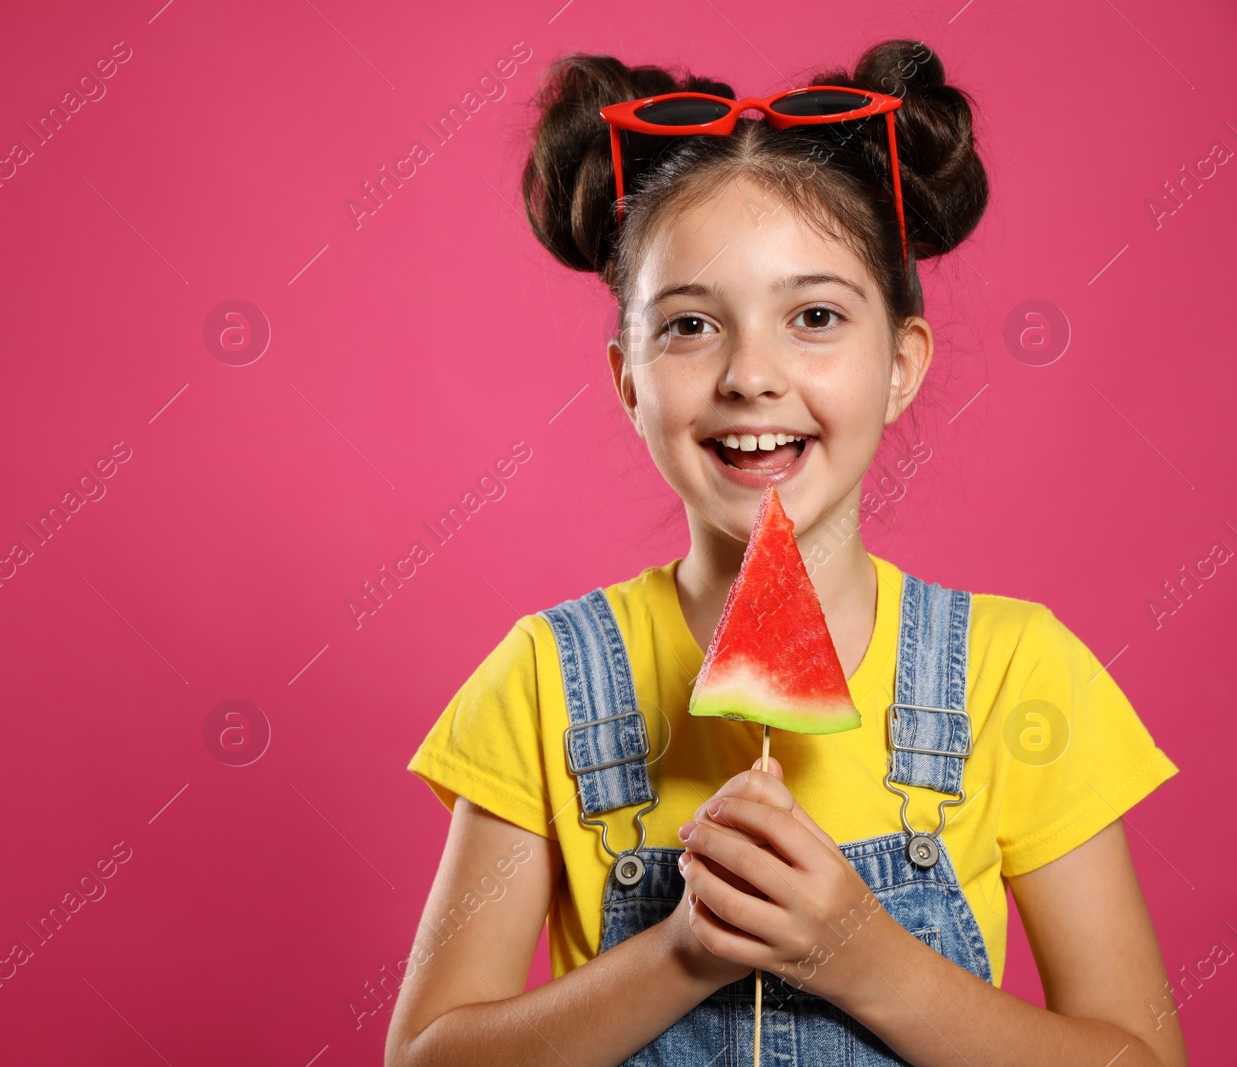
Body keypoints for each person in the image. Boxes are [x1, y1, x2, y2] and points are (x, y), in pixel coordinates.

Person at [385, 38, 1186, 1067]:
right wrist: (684, 949)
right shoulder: (542, 679)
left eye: (813, 316)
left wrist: (861, 955)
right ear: (628, 382)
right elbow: (425, 1057)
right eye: (689, 326)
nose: (751, 375)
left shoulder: (1017, 673)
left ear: (899, 366)